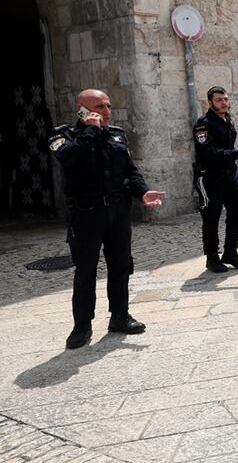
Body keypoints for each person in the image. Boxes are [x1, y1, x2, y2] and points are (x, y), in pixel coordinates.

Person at [48, 89, 166, 349]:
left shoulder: (117, 135)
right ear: (82, 109)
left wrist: (142, 192)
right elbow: (67, 158)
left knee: (121, 265)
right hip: (85, 214)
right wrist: (90, 130)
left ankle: (120, 316)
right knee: (86, 271)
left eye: (109, 106)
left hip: (117, 211)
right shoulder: (63, 135)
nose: (106, 111)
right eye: (99, 106)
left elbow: (130, 171)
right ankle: (82, 326)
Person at [193, 87, 238, 273]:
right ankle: (212, 258)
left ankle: (231, 252)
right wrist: (237, 154)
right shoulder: (203, 124)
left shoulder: (228, 119)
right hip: (210, 177)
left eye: (226, 99)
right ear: (210, 102)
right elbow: (207, 152)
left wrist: (235, 157)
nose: (224, 103)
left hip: (230, 175)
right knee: (211, 218)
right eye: (219, 100)